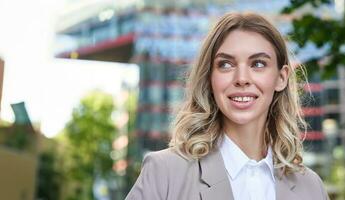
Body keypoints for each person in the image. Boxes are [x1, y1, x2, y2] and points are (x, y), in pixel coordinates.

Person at [126, 12, 328, 200]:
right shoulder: (165, 172)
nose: (242, 79)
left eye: (258, 64)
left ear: (281, 78)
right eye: (226, 64)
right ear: (210, 78)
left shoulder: (311, 187)